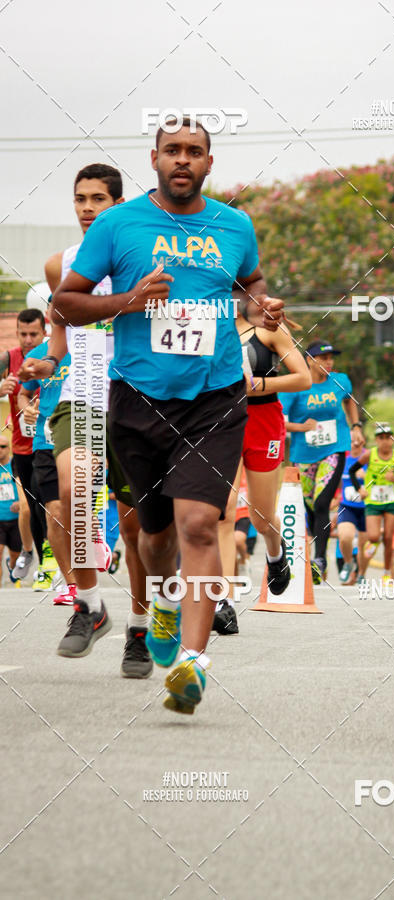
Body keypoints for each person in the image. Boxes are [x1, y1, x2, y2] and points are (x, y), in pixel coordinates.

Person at [51, 118, 283, 713]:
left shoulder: (234, 225)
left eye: (195, 152)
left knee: (201, 525)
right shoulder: (117, 224)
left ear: (210, 162)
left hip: (215, 397)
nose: (183, 160)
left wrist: (263, 305)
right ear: (153, 158)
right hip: (137, 400)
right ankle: (159, 600)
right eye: (172, 151)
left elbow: (251, 282)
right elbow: (66, 304)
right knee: (152, 535)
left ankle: (193, 663)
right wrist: (129, 299)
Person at [22, 163, 152, 678]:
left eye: (98, 199)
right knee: (73, 494)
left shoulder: (145, 259)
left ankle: (139, 630)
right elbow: (60, 336)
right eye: (80, 199)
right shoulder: (62, 266)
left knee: (138, 528)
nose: (86, 208)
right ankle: (91, 607)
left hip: (138, 399)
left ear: (117, 205)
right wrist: (47, 362)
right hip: (83, 396)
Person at [216, 309, 310, 633]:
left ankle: (275, 551)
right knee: (224, 511)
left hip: (264, 421)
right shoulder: (207, 329)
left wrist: (259, 383)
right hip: (223, 421)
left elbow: (304, 377)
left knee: (260, 516)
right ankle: (224, 602)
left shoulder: (267, 329)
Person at [282, 342, 364, 583]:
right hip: (303, 455)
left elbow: (349, 401)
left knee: (321, 502)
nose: (328, 363)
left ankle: (319, 560)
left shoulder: (340, 381)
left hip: (334, 449)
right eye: (323, 358)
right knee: (309, 508)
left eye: (331, 358)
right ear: (309, 360)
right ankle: (316, 559)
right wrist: (300, 427)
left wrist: (356, 426)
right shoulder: (295, 385)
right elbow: (279, 420)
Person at [18, 338, 72, 601]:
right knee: (54, 512)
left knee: (77, 509)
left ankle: (87, 570)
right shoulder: (39, 354)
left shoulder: (93, 346)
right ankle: (71, 584)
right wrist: (26, 409)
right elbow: (23, 392)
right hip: (45, 442)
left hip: (82, 438)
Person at [0, 309, 48, 584]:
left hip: (49, 445)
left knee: (46, 506)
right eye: (23, 334)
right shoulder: (9, 358)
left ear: (44, 332)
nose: (28, 339)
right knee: (31, 506)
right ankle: (34, 556)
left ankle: (47, 565)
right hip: (21, 447)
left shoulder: (54, 354)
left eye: (34, 334)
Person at [348, 423, 394, 587]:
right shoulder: (369, 455)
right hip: (373, 501)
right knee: (373, 537)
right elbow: (352, 471)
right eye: (381, 438)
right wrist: (359, 488)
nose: (385, 442)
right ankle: (369, 553)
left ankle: (387, 574)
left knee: (388, 538)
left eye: (388, 438)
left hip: (392, 501)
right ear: (376, 440)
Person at [337, 434, 367, 585]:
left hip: (368, 508)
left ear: (363, 441)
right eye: (352, 441)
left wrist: (366, 476)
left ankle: (361, 574)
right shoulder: (342, 458)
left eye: (358, 441)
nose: (355, 443)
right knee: (344, 537)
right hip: (347, 506)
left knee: (365, 546)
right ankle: (349, 563)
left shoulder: (369, 457)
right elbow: (334, 482)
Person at [0, 439, 25, 577]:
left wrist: (21, 504)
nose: (0, 450)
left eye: (2, 447)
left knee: (15, 555)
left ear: (9, 448)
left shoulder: (15, 466)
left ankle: (12, 564)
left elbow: (28, 490)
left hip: (16, 519)